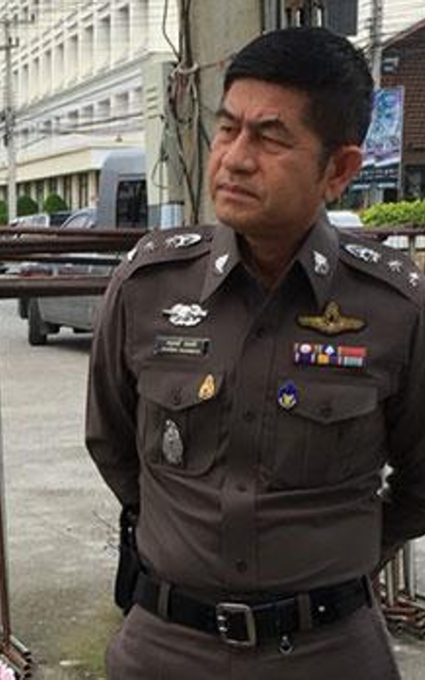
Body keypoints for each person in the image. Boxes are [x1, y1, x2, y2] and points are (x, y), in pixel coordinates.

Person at [86, 26, 425, 679]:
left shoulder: (393, 308)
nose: (236, 158)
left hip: (329, 655)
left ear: (340, 169)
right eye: (228, 129)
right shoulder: (149, 286)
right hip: (165, 648)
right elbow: (113, 441)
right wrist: (183, 536)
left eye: (270, 138)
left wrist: (336, 550)